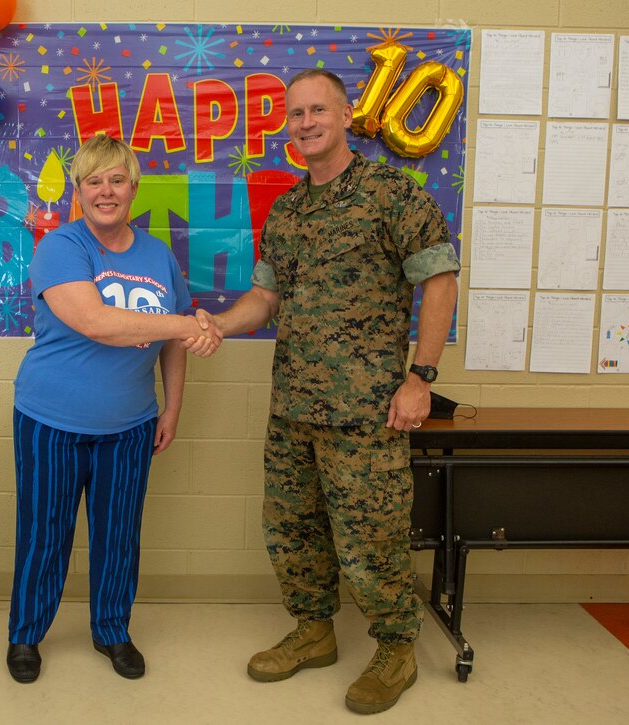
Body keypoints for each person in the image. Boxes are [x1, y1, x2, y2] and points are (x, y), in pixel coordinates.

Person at [189, 69, 459, 714]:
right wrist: (217, 326)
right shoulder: (288, 207)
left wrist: (420, 377)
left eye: (318, 110)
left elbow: (440, 279)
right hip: (294, 409)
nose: (305, 123)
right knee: (293, 530)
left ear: (344, 116)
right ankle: (313, 631)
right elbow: (265, 297)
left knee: (372, 538)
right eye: (295, 114)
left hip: (367, 410)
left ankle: (396, 648)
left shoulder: (390, 193)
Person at [7, 134, 220, 684]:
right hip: (50, 419)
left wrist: (172, 407)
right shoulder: (61, 246)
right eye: (93, 180)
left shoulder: (157, 255)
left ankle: (112, 631)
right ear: (78, 191)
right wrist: (189, 322)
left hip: (129, 425)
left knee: (119, 533)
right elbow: (96, 321)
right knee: (44, 532)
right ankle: (26, 635)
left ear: (133, 187)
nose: (106, 191)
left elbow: (173, 346)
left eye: (116, 179)